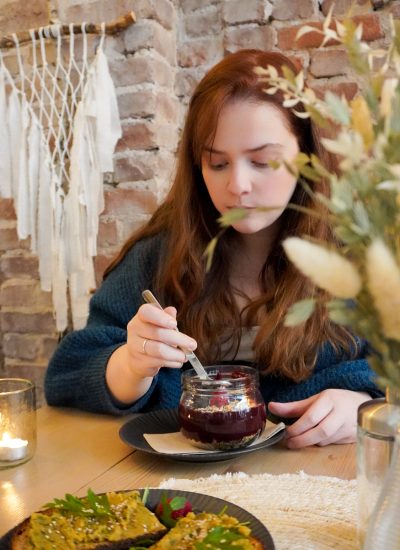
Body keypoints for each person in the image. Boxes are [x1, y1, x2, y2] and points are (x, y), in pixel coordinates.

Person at [45, 49, 383, 448]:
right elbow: (67, 374)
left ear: (307, 155)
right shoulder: (160, 255)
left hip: (318, 479)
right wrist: (131, 366)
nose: (237, 185)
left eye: (262, 161)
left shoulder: (358, 256)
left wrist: (366, 405)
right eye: (218, 164)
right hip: (178, 485)